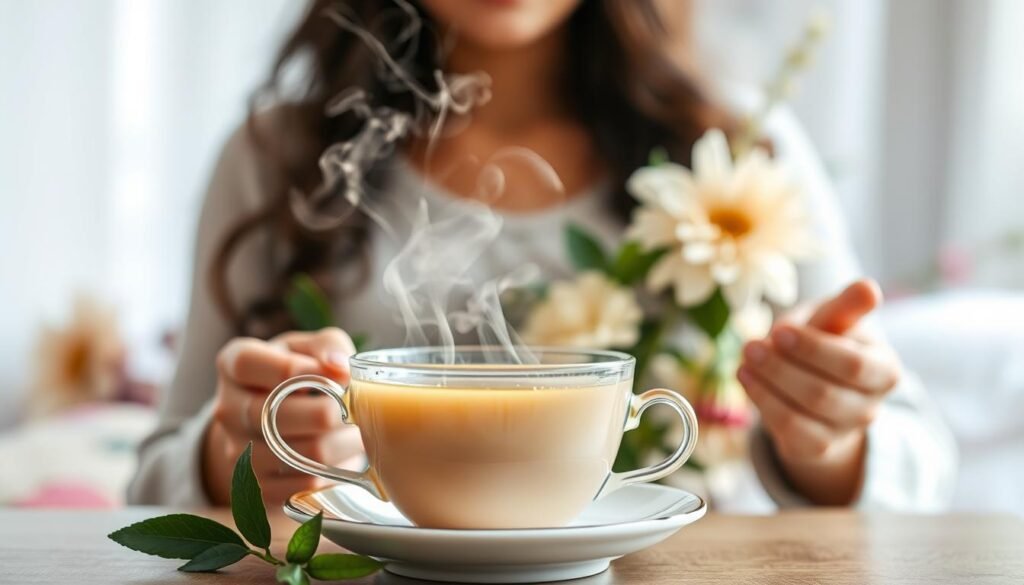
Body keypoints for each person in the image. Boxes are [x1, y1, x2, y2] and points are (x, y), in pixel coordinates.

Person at [128, 0, 956, 510]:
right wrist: (228, 450)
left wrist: (827, 438)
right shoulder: (278, 157)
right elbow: (153, 474)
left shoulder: (738, 150)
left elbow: (920, 460)